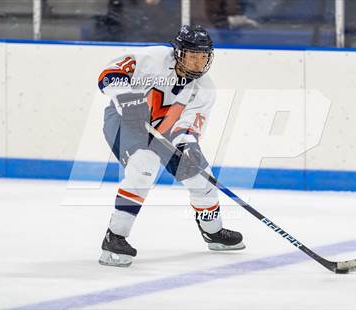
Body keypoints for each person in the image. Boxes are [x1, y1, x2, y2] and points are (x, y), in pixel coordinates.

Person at [97, 25, 245, 267]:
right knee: (144, 167)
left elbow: (186, 129)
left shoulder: (205, 89)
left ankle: (213, 232)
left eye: (203, 57)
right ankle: (114, 237)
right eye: (193, 56)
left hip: (163, 133)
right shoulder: (152, 58)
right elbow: (108, 75)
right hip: (124, 122)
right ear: (179, 52)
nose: (198, 63)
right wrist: (127, 99)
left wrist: (188, 147)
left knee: (201, 178)